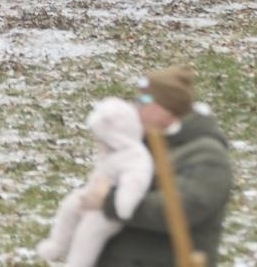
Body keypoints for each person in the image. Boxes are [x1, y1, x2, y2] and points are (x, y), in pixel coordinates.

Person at [78, 65, 232, 265]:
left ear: (168, 106)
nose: (136, 108)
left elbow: (180, 210)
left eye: (144, 101)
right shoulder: (146, 144)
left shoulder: (207, 155)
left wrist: (109, 202)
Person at [35, 98, 154, 266]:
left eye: (102, 138)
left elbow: (135, 181)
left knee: (88, 232)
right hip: (95, 196)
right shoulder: (110, 153)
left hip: (110, 209)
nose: (98, 142)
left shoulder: (134, 157)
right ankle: (58, 244)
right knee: (70, 205)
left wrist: (122, 204)